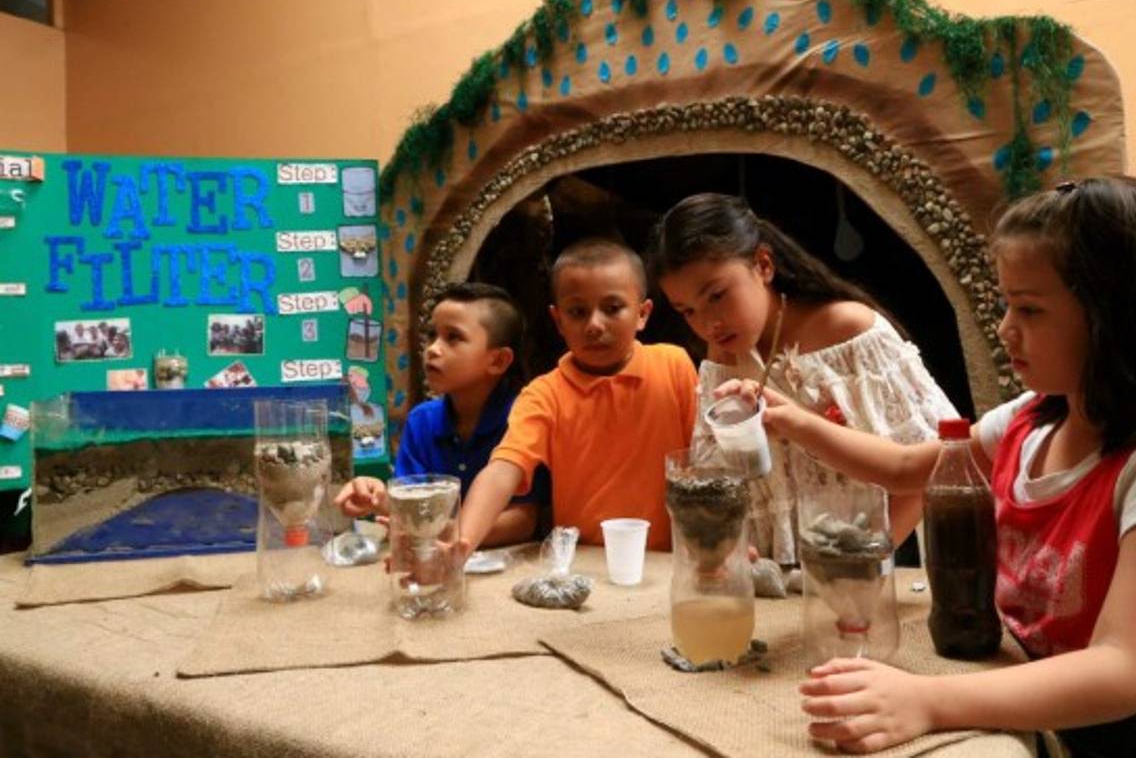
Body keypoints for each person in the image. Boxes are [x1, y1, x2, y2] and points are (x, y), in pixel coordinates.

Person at [718, 177, 1136, 754]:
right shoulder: (1030, 421)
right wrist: (793, 420)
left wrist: (927, 700)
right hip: (1039, 699)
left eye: (1029, 309)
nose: (1007, 328)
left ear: (1123, 318)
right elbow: (909, 467)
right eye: (1007, 302)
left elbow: (1121, 672)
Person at [647, 192, 957, 567]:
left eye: (716, 295)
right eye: (687, 311)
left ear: (763, 265)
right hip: (776, 578)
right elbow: (721, 475)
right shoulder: (723, 356)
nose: (707, 323)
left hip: (864, 570)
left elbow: (934, 464)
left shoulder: (850, 331)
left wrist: (865, 557)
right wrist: (729, 543)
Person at [457, 238, 699, 554]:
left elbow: (705, 461)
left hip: (669, 559)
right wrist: (461, 542)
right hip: (581, 564)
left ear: (642, 313)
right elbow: (503, 470)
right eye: (578, 312)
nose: (594, 325)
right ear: (558, 320)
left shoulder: (673, 366)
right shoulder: (544, 394)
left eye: (613, 308)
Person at [334, 282, 550, 547]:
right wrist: (377, 498)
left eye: (453, 337)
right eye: (431, 335)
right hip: (437, 563)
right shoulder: (421, 421)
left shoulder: (523, 419)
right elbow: (412, 508)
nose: (433, 349)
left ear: (498, 361)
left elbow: (523, 521)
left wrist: (449, 534)